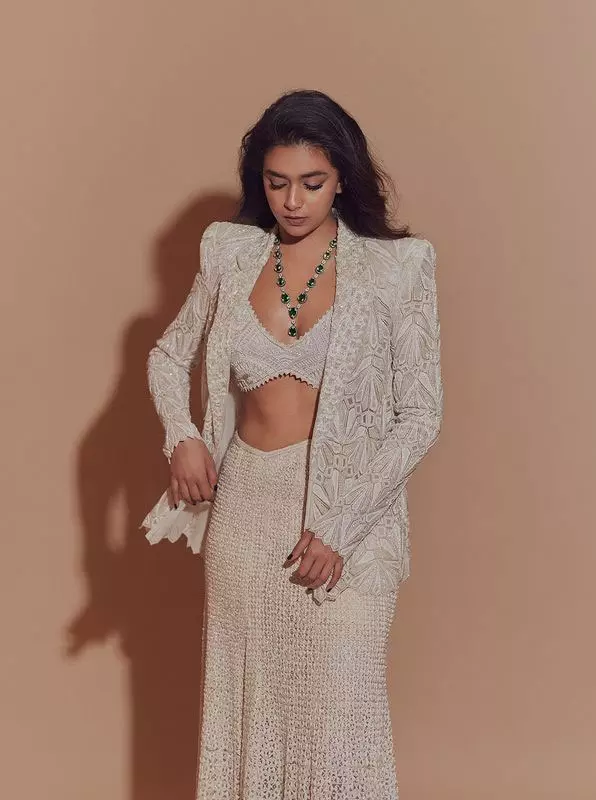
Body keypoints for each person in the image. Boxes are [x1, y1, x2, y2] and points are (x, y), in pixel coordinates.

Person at [142, 88, 443, 800]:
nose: (293, 201)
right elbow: (167, 354)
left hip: (346, 525)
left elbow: (420, 415)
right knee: (247, 711)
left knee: (340, 719)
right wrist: (182, 436)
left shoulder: (398, 269)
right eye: (277, 183)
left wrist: (340, 527)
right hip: (246, 514)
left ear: (342, 178)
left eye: (312, 182)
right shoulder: (230, 252)